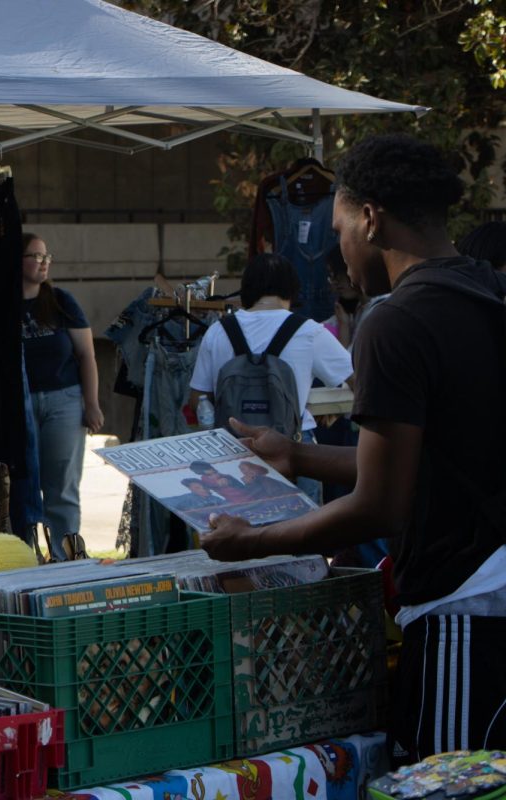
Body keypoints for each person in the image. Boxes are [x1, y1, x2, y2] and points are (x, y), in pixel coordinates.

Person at [202, 133, 506, 762]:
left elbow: (379, 507)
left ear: (371, 218)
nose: (337, 253)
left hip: (464, 605)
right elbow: (423, 458)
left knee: (445, 779)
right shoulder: (485, 290)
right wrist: (298, 456)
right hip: (490, 590)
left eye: (340, 228)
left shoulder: (395, 320)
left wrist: (247, 544)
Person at [189, 252, 353, 504]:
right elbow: (359, 382)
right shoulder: (308, 331)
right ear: (291, 291)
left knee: (240, 536)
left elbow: (197, 399)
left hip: (232, 453)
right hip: (294, 451)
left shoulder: (218, 331)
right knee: (302, 536)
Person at [19, 232, 103, 556]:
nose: (43, 263)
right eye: (36, 256)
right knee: (23, 487)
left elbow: (87, 355)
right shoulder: (3, 304)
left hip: (64, 401)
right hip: (21, 401)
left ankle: (66, 556)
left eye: (46, 257)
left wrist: (92, 404)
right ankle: (24, 555)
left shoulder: (60, 301)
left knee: (61, 487)